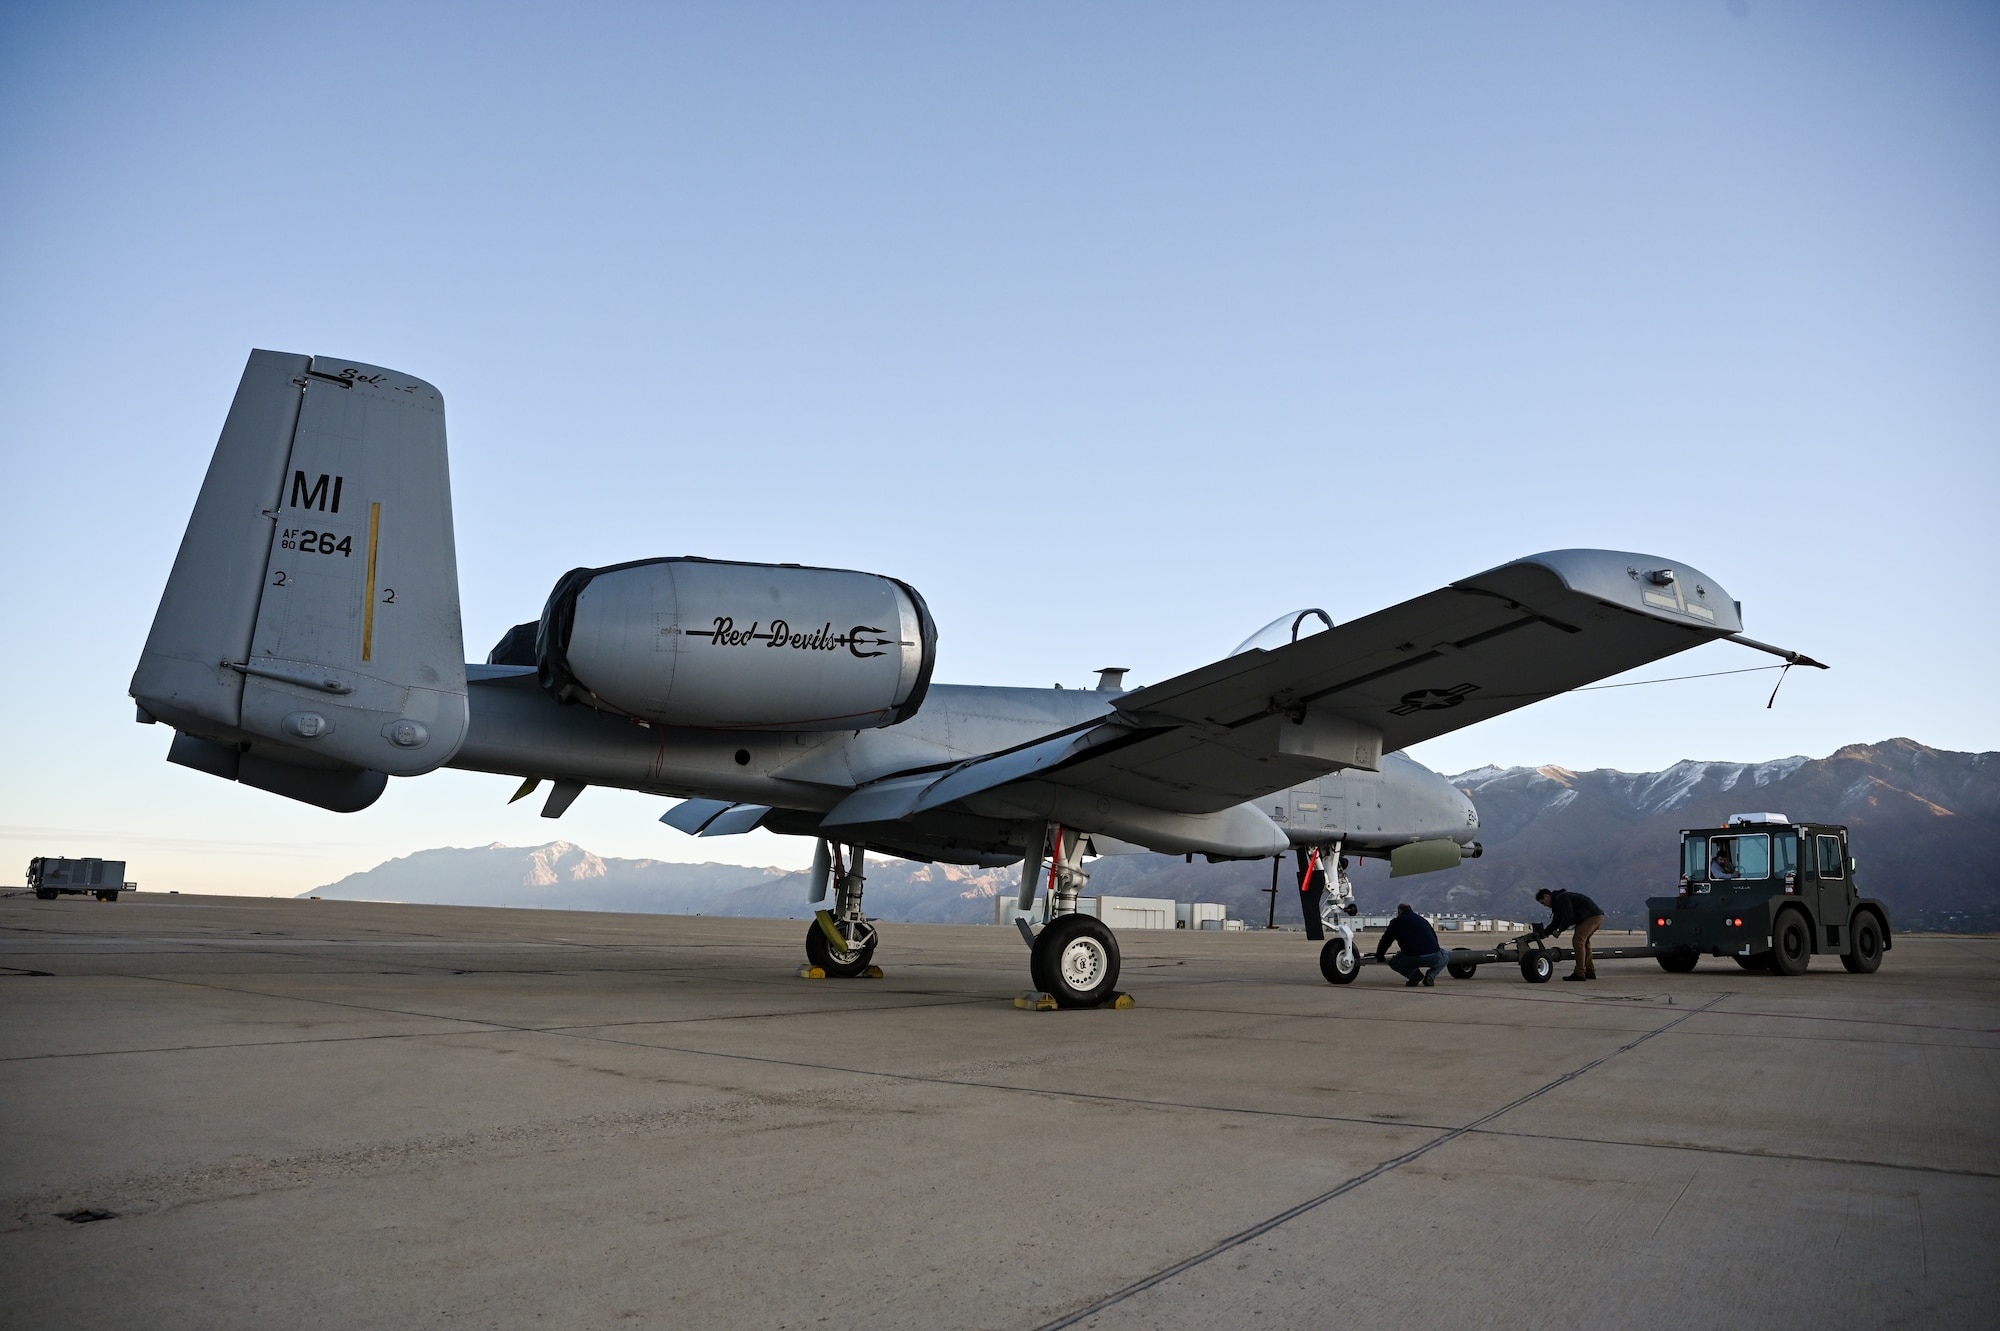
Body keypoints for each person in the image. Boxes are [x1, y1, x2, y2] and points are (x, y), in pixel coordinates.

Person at [1533, 888, 1607, 981]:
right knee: (1585, 942)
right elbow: (1556, 921)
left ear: (1546, 896)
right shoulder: (1558, 902)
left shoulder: (1561, 898)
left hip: (1591, 916)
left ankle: (1579, 973)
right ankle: (1590, 971)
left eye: (1543, 903)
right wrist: (1544, 933)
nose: (1545, 906)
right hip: (1596, 915)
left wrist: (1559, 930)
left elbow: (1569, 916)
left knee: (1578, 941)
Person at [1374, 903, 1449, 987]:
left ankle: (1414, 975)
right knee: (1446, 954)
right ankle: (1431, 976)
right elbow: (1434, 937)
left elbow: (1386, 940)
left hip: (1412, 958)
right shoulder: (1422, 920)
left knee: (1394, 961)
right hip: (1433, 956)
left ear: (1399, 911)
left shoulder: (1396, 922)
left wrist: (1380, 955)